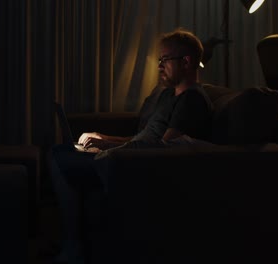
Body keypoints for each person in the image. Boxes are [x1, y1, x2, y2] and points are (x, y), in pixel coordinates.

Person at [50, 27, 213, 264]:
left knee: (60, 159)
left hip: (136, 167)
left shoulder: (192, 100)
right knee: (61, 152)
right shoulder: (168, 95)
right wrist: (104, 139)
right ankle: (71, 240)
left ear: (186, 62)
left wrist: (111, 151)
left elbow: (163, 150)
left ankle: (74, 247)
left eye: (165, 60)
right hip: (128, 156)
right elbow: (144, 138)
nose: (159, 66)